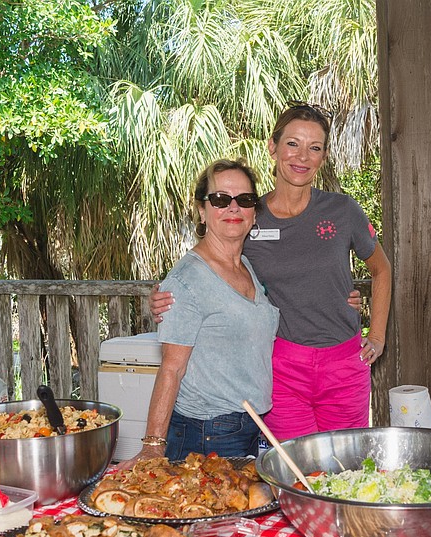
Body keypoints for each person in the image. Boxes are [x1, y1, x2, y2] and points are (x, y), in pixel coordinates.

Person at [152, 101, 392, 441]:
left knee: (346, 464)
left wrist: (378, 336)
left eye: (315, 148)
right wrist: (165, 296)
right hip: (282, 368)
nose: (302, 156)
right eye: (292, 143)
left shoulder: (342, 210)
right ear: (273, 147)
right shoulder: (248, 213)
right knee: (293, 465)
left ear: (324, 157)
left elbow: (381, 269)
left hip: (344, 364)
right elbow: (210, 265)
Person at [119, 159, 279, 469]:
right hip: (207, 433)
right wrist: (152, 445)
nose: (233, 208)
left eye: (244, 199)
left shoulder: (246, 265)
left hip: (249, 426)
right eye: (220, 199)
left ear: (254, 212)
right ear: (202, 211)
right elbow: (172, 369)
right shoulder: (187, 280)